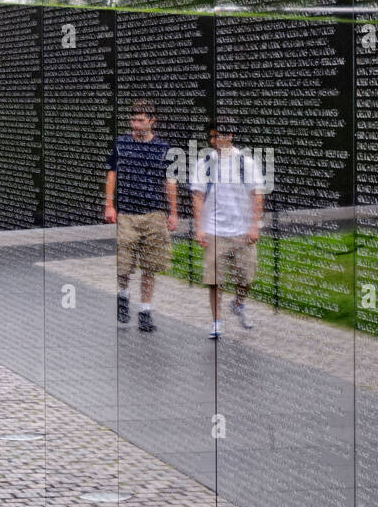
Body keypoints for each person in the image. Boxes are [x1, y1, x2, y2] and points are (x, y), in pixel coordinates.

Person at [104, 99, 178, 332]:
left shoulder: (163, 148)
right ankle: (124, 295)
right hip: (127, 212)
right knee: (124, 263)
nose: (135, 124)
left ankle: (145, 310)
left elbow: (170, 182)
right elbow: (112, 174)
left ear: (152, 121)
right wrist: (109, 205)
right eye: (133, 120)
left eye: (140, 120)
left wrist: (173, 212)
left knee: (150, 264)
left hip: (154, 212)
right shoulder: (121, 143)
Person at [190, 117, 266, 339]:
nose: (214, 141)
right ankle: (216, 321)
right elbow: (197, 195)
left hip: (242, 231)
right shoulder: (204, 162)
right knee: (214, 280)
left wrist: (254, 226)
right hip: (214, 230)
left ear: (230, 136)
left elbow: (256, 195)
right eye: (212, 136)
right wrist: (199, 227)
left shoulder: (246, 163)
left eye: (219, 136)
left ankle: (239, 303)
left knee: (246, 277)